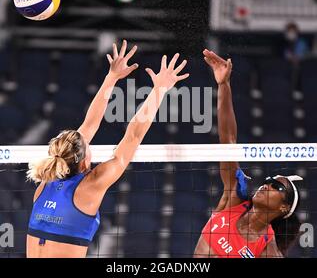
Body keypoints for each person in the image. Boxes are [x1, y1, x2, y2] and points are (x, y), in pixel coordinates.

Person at [26, 40, 189, 258]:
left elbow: (88, 126)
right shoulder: (90, 186)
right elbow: (133, 136)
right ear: (83, 161)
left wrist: (111, 78)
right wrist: (159, 89)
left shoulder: (47, 182)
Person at [194, 49, 302, 258]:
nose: (267, 184)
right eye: (270, 180)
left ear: (283, 208)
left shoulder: (267, 250)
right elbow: (228, 140)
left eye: (277, 186)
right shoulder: (233, 199)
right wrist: (224, 85)